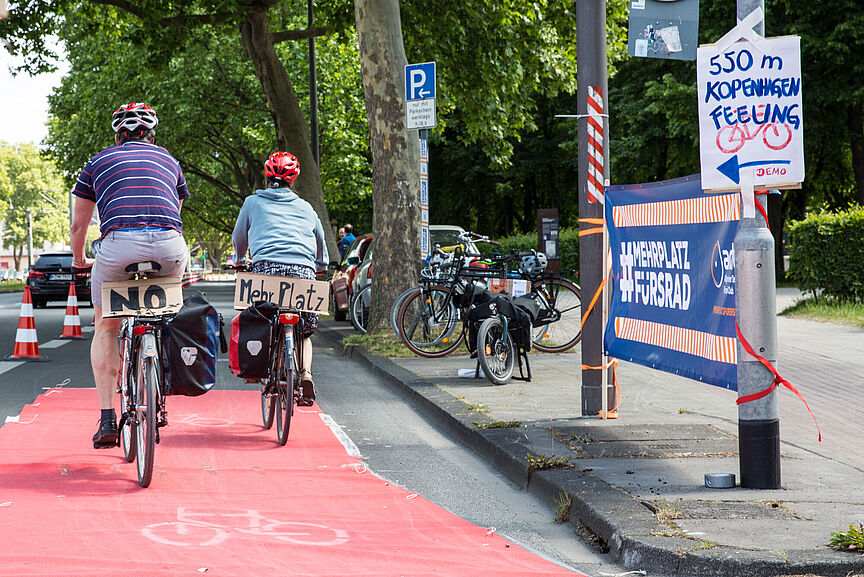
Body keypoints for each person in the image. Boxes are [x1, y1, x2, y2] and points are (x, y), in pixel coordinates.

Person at [70, 102, 190, 449]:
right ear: (151, 135)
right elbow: (173, 214)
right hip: (169, 246)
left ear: (118, 135)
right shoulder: (170, 161)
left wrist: (80, 261)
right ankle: (160, 385)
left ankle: (108, 418)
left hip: (118, 245)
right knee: (165, 316)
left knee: (106, 326)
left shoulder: (96, 162)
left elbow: (80, 224)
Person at [232, 151, 328, 405]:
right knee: (305, 330)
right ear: (293, 181)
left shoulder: (252, 203)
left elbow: (239, 239)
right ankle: (305, 372)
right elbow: (321, 247)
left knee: (264, 322)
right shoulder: (307, 208)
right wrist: (320, 266)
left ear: (266, 178)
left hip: (265, 272)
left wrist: (239, 260)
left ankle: (267, 367)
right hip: (303, 274)